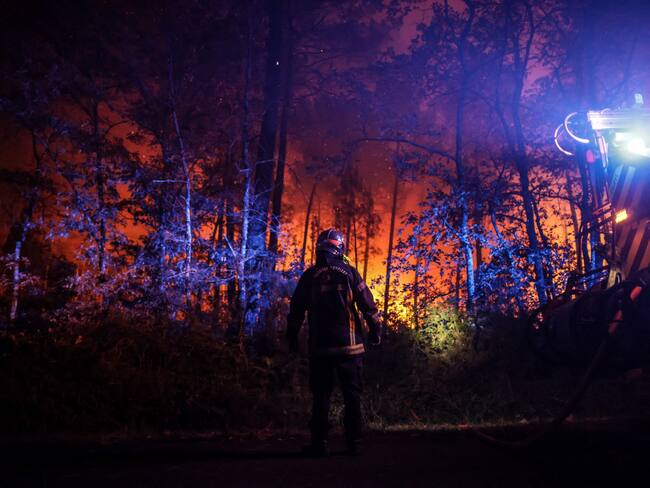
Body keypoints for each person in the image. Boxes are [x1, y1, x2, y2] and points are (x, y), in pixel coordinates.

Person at [287, 228, 382, 457]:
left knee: (321, 395)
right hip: (351, 347)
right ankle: (354, 444)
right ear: (340, 248)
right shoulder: (349, 273)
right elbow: (368, 305)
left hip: (321, 348)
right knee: (352, 395)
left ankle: (319, 444)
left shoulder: (310, 276)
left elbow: (296, 310)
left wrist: (292, 338)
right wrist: (375, 331)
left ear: (320, 248)